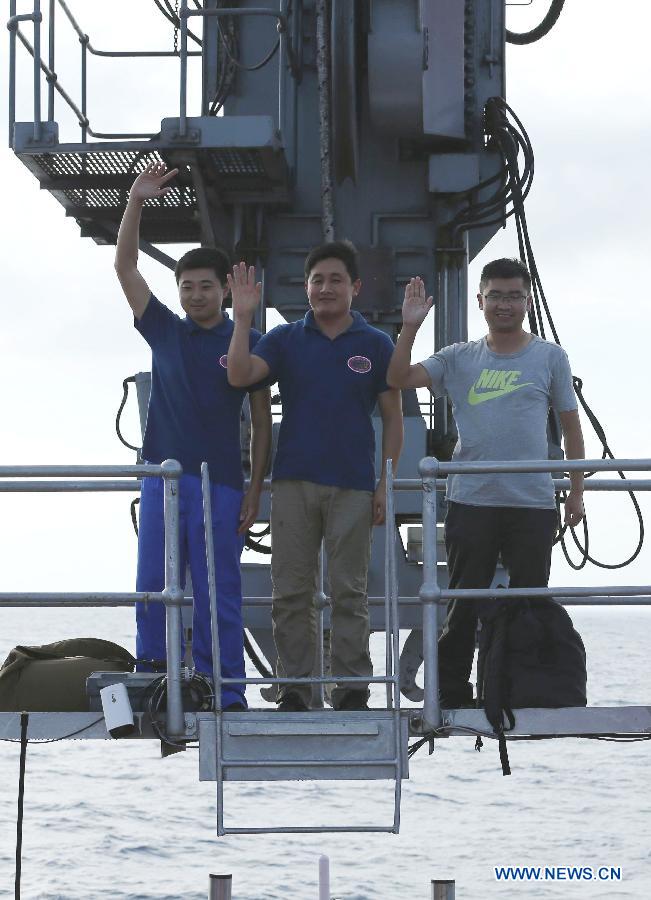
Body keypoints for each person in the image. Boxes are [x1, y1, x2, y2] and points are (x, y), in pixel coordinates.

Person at [387, 257, 585, 707]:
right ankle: (454, 692)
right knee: (462, 603)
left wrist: (575, 492)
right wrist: (411, 327)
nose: (504, 304)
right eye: (495, 295)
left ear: (526, 301)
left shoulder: (550, 357)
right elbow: (398, 378)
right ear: (480, 300)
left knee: (529, 603)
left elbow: (571, 429)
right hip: (471, 501)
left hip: (532, 502)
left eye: (514, 295)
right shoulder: (459, 357)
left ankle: (518, 689)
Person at [114, 161, 272, 711]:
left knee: (217, 589)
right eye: (187, 287)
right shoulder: (164, 329)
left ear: (226, 290)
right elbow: (126, 266)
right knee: (154, 584)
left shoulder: (246, 339)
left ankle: (223, 687)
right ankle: (152, 675)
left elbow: (261, 417)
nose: (196, 295)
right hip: (163, 476)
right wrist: (136, 201)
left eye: (206, 286)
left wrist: (255, 490)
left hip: (221, 481)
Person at [227, 241, 403, 711]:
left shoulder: (375, 344)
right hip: (293, 483)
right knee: (291, 592)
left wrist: (386, 483)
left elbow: (393, 418)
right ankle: (296, 689)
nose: (326, 288)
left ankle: (349, 687)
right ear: (305, 287)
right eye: (317, 280)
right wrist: (242, 318)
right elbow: (241, 375)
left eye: (336, 280)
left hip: (354, 485)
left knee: (350, 591)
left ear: (355, 287)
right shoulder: (285, 339)